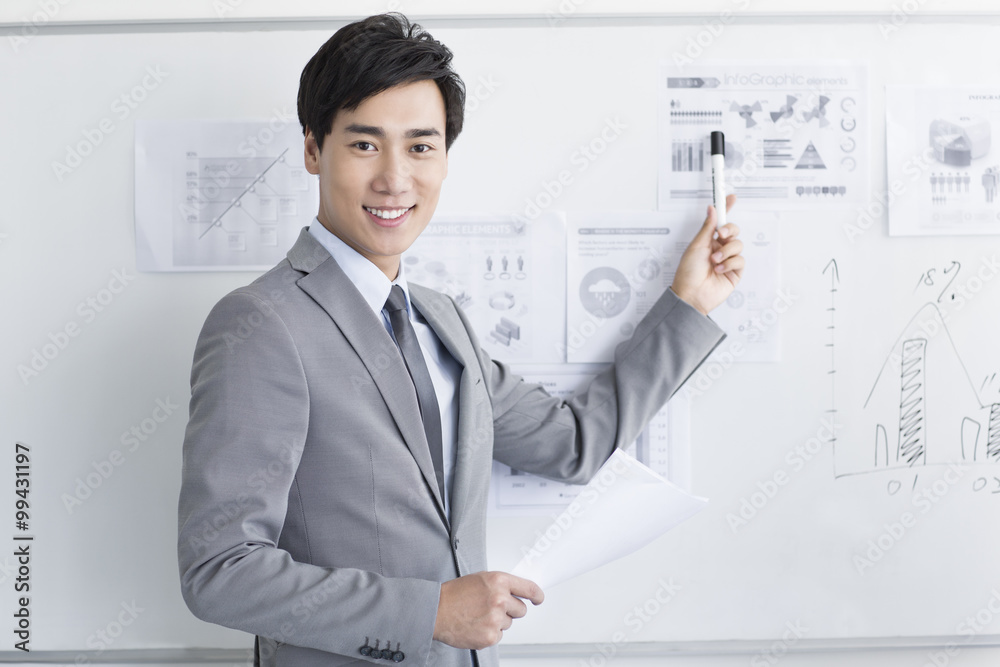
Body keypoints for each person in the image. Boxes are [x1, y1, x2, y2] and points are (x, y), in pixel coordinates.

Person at [177, 12, 743, 667]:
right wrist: (432, 611)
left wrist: (690, 302)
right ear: (313, 148)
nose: (395, 178)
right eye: (364, 145)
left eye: (421, 146)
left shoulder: (441, 321)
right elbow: (219, 569)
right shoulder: (261, 326)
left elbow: (572, 443)